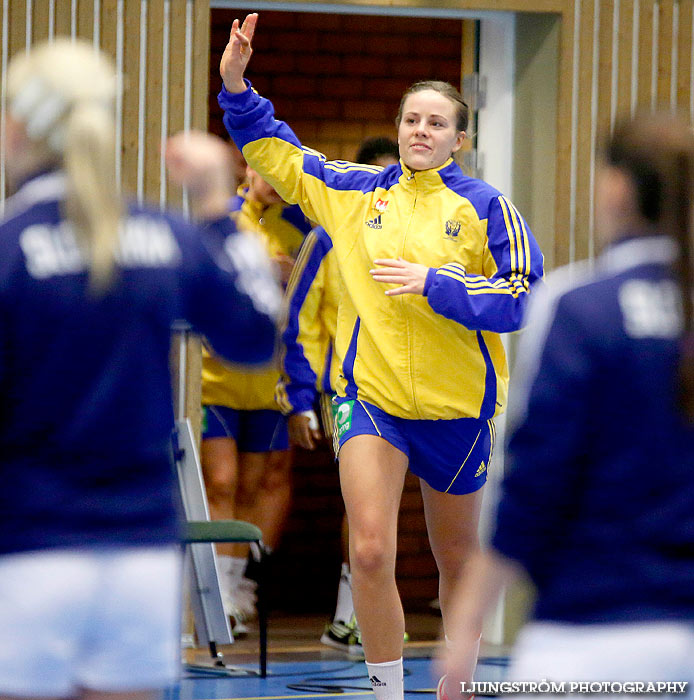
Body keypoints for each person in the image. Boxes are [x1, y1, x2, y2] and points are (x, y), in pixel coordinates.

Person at [219, 14, 544, 700]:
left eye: (435, 122)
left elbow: (522, 297)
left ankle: (456, 686)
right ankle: (385, 689)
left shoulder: (487, 207)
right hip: (373, 397)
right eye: (410, 119)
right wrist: (237, 86)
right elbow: (283, 155)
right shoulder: (355, 191)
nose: (420, 130)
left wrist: (438, 285)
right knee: (368, 548)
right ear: (398, 130)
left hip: (459, 408)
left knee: (456, 558)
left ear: (461, 137)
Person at [0, 39, 281, 700]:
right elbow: (254, 334)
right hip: (143, 551)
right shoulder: (168, 236)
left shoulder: (10, 246)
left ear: (17, 126)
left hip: (34, 542)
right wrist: (216, 204)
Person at [440, 111, 694, 699]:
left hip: (590, 630)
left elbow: (534, 479)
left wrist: (470, 615)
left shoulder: (580, 306)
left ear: (617, 187)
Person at [276, 136, 400, 655]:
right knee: (366, 504)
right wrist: (299, 396)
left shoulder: (428, 230)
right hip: (346, 388)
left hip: (409, 392)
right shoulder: (330, 233)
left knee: (391, 508)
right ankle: (349, 618)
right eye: (379, 177)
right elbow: (296, 316)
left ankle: (363, 618)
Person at [200, 163, 311, 631]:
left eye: (281, 171)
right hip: (215, 378)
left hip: (272, 380)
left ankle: (237, 584)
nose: (272, 179)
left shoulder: (304, 227)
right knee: (221, 481)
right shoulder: (221, 217)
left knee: (257, 484)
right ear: (246, 168)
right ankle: (215, 594)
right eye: (262, 168)